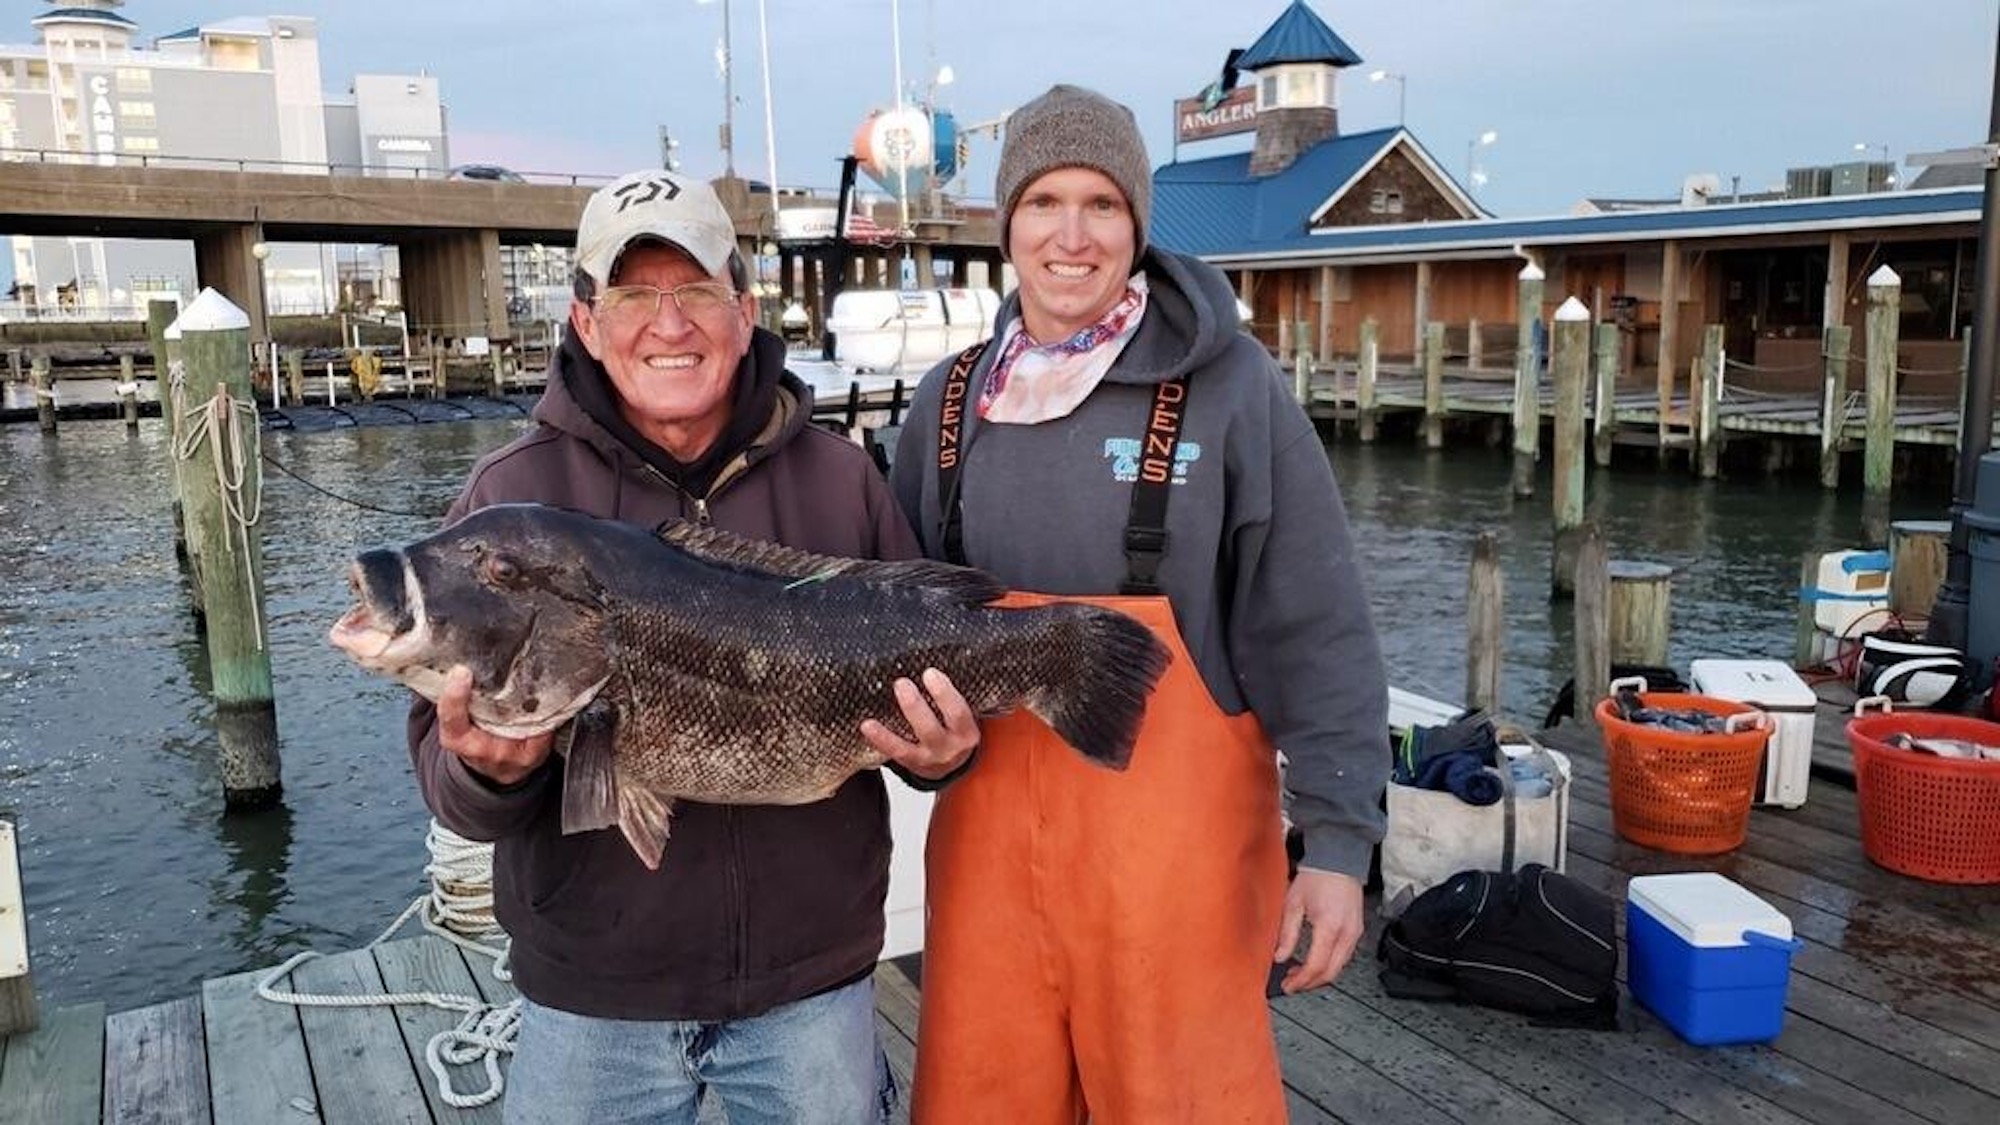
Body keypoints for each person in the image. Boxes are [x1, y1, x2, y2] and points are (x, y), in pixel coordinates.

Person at [407, 169, 978, 1125]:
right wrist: (488, 773)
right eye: (633, 294)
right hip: (591, 994)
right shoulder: (508, 504)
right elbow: (445, 771)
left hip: (810, 983)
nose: (668, 323)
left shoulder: (842, 480)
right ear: (587, 321)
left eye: (697, 290)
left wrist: (944, 756)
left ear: (745, 312)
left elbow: (921, 686)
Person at [882, 85, 1391, 1122]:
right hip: (985, 876)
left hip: (1174, 882)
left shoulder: (1232, 390)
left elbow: (1317, 629)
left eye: (1101, 205)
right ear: (1005, 223)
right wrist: (916, 750)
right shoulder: (946, 403)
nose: (1071, 237)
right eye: (1043, 202)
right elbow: (887, 630)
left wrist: (1338, 845)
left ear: (1137, 225)